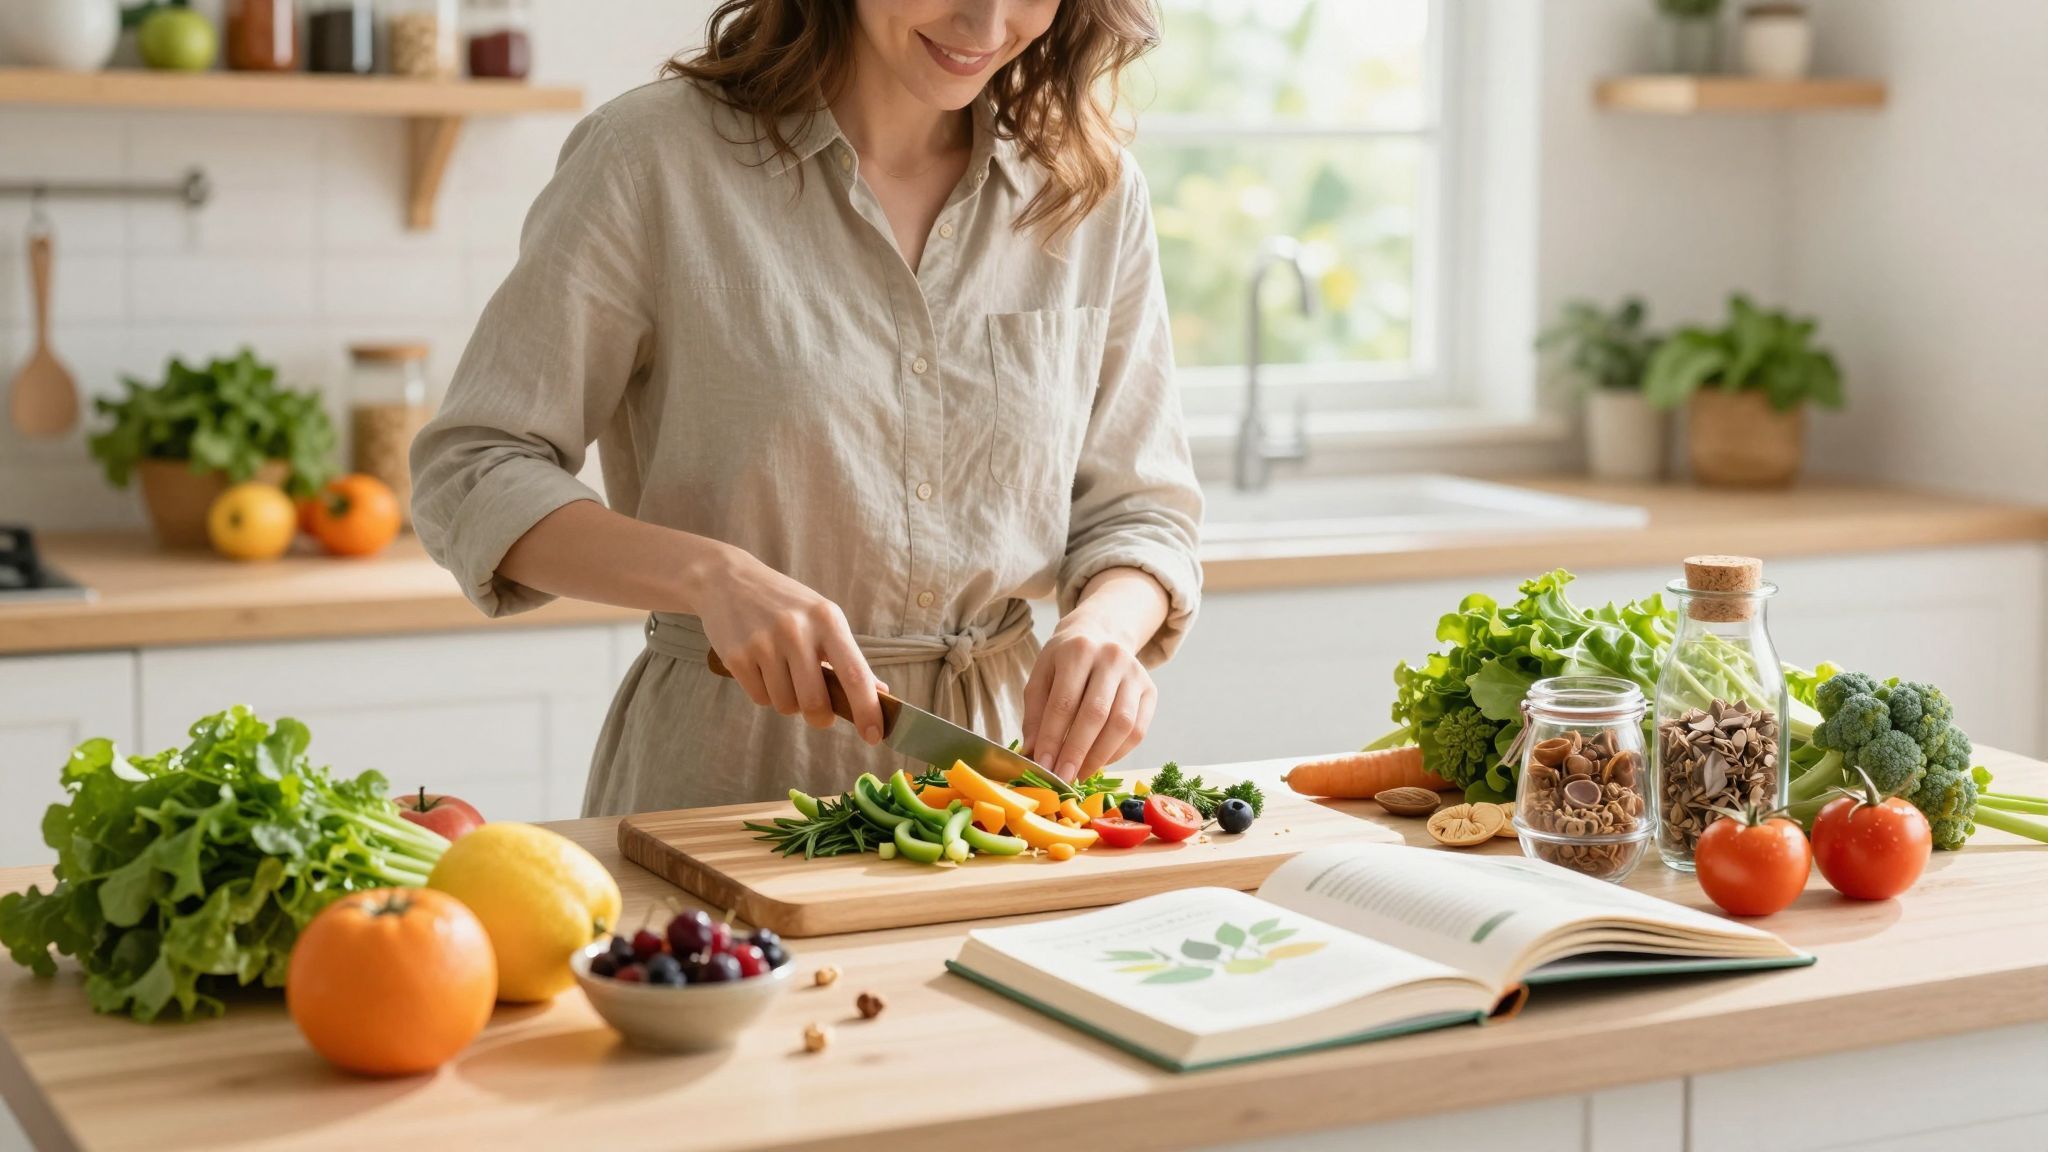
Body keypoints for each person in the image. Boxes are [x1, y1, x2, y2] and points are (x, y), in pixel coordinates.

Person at [411, 0, 1201, 815]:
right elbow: (472, 470)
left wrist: (1106, 624)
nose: (986, 23)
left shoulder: (1090, 190)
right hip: (724, 783)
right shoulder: (651, 159)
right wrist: (712, 578)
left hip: (997, 788)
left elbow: (1143, 510)